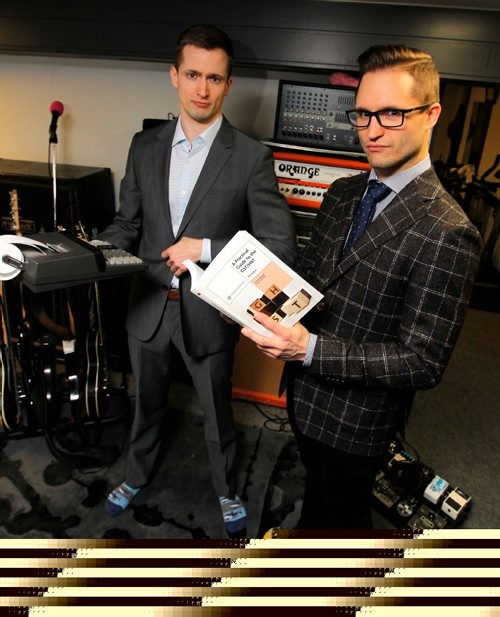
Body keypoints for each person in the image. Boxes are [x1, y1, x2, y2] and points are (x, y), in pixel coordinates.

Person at [241, 44, 481, 529]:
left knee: (346, 519)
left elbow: (423, 360)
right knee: (317, 495)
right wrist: (262, 299)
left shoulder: (448, 231)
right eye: (364, 113)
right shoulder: (343, 191)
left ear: (432, 114)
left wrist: (308, 350)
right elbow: (313, 282)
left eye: (392, 114)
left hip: (358, 422)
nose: (371, 130)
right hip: (304, 398)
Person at [100, 24, 296, 535]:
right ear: (174, 76)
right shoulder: (144, 145)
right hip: (147, 306)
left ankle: (227, 489)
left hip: (208, 314)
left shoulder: (252, 157)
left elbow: (278, 249)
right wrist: (85, 256)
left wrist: (205, 249)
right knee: (147, 404)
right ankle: (136, 474)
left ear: (228, 84)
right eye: (192, 75)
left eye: (214, 78)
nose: (202, 89)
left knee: (216, 413)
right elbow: (127, 224)